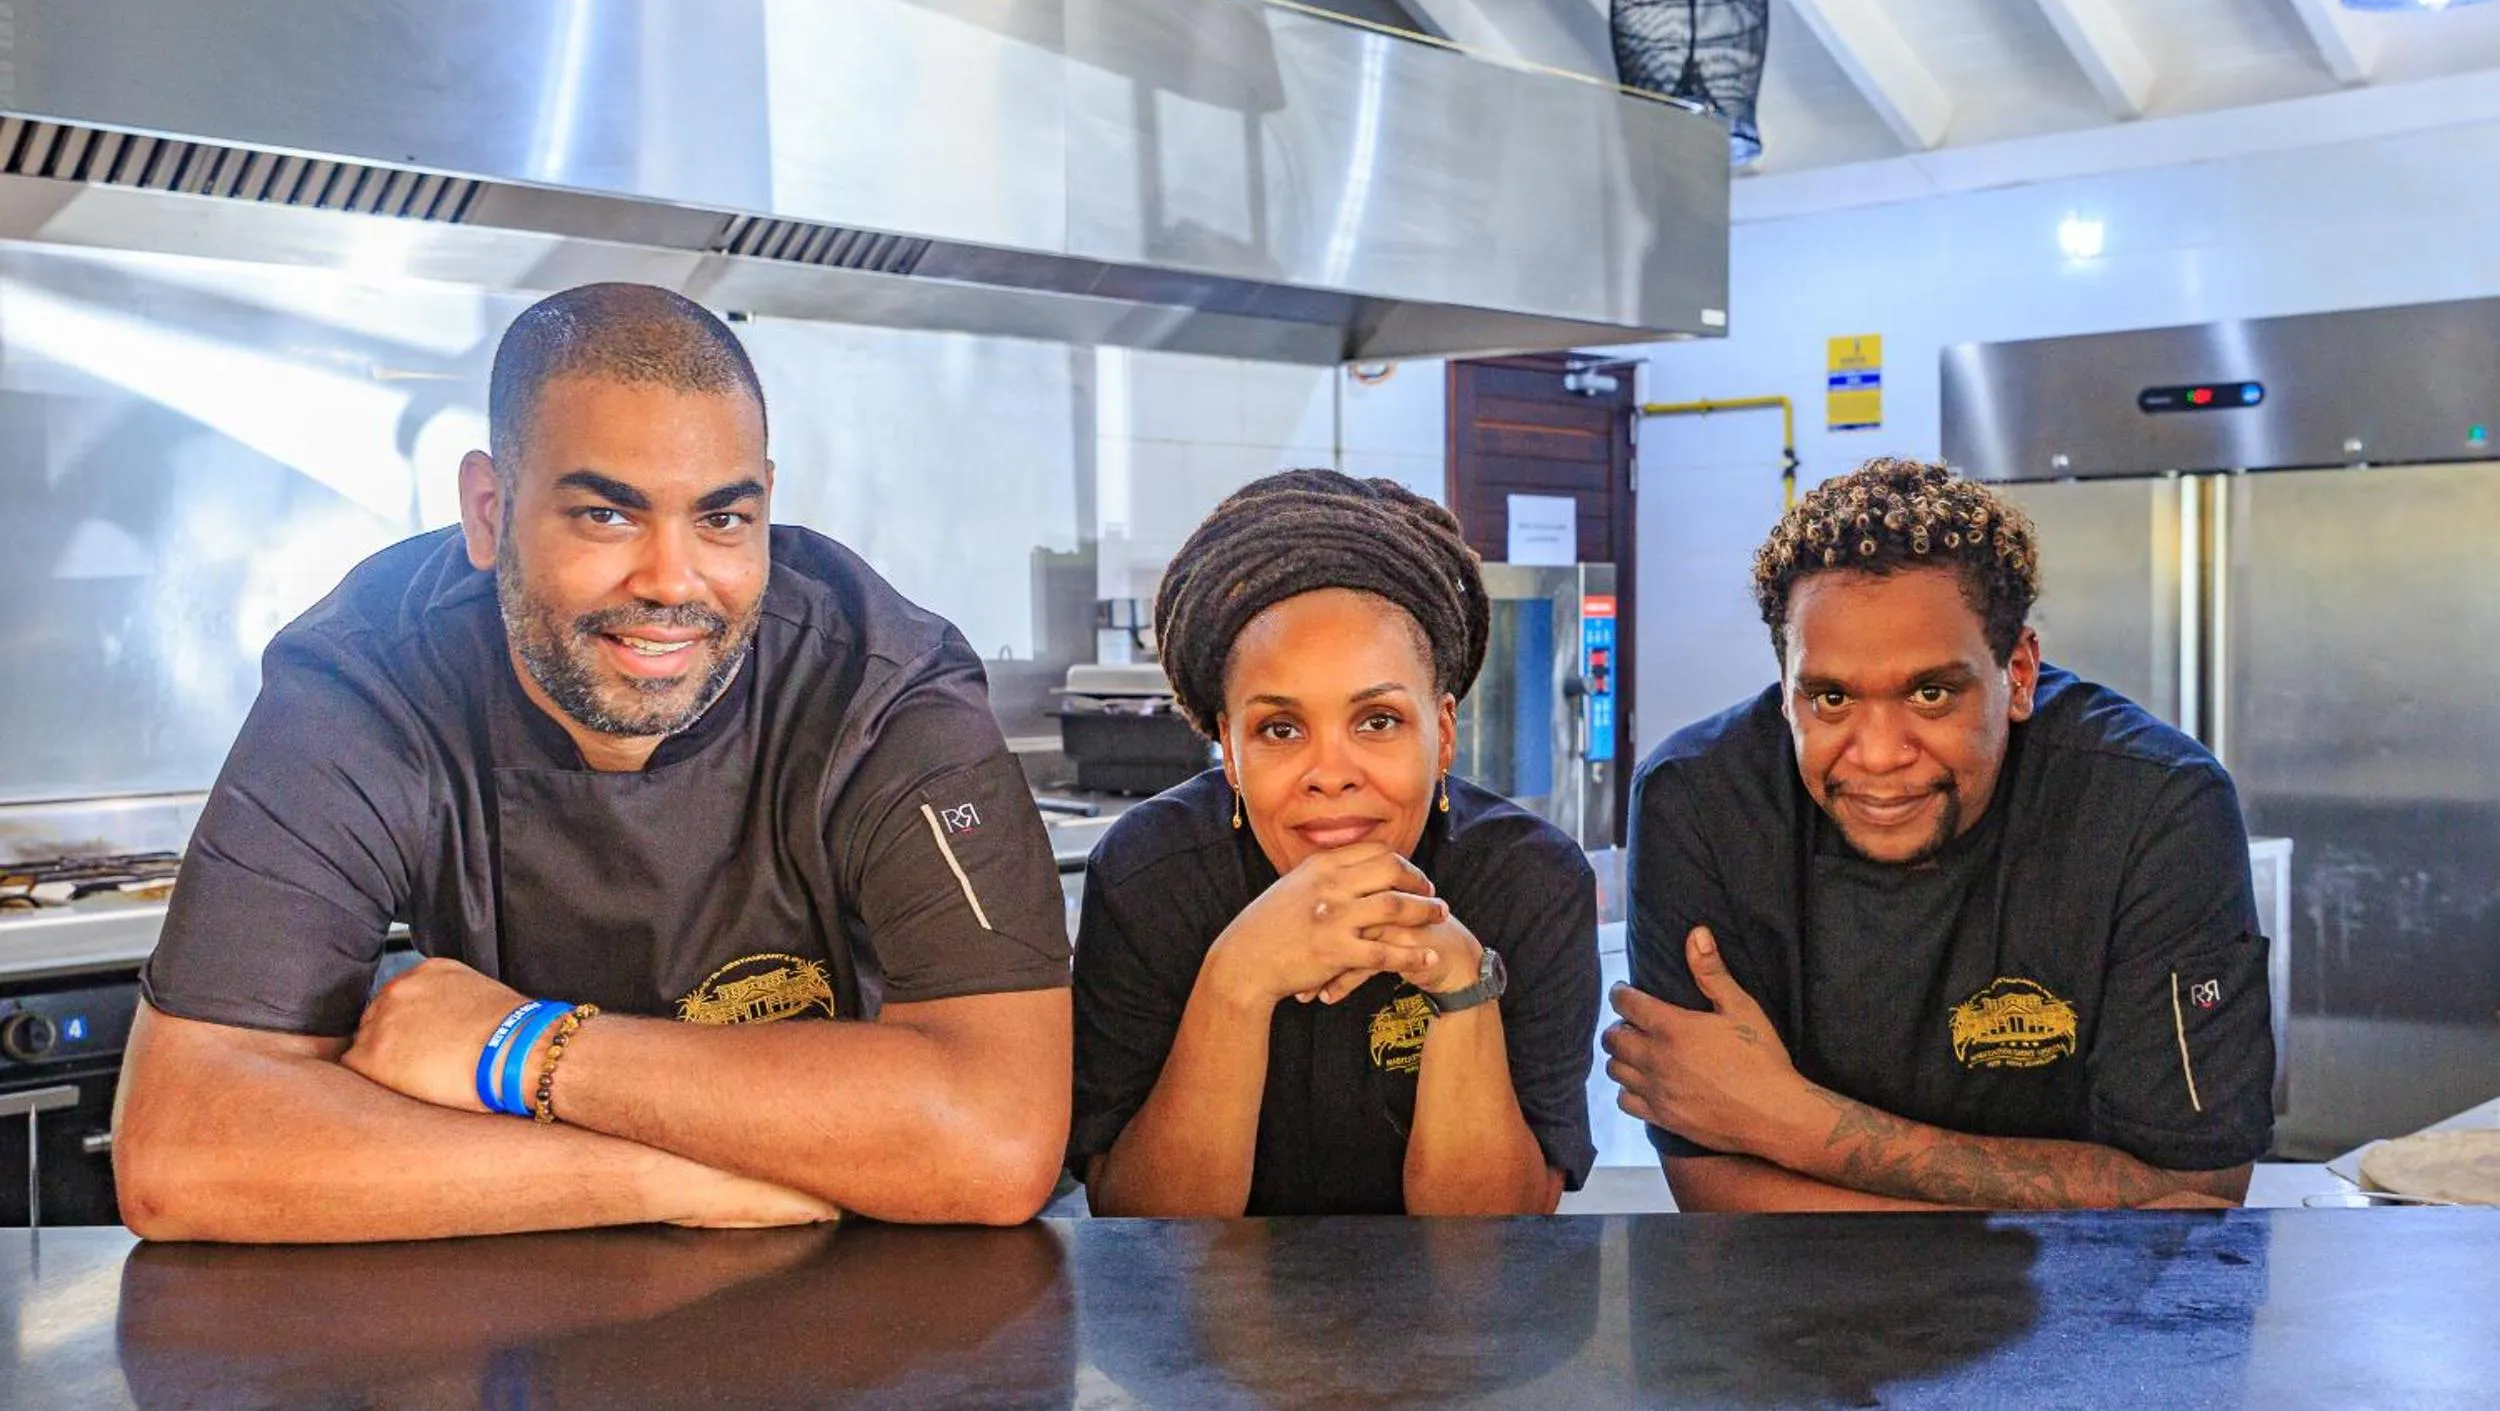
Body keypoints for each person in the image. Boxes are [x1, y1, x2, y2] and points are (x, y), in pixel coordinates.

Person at [115, 284, 1073, 1241]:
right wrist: (669, 1180)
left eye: (723, 519)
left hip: (866, 1315)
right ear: (489, 512)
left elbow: (995, 1139)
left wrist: (520, 1049)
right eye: (607, 517)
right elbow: (183, 1151)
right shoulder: (368, 679)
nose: (671, 580)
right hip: (525, 1317)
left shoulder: (882, 690)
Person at [1605, 458, 2275, 1212]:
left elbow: (2194, 1189)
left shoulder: (2154, 807)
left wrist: (1790, 1118)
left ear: (2017, 673)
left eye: (1930, 693)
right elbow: (1713, 1189)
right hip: (1787, 1319)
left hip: (2084, 1323)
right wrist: (2055, 1216)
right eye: (1830, 697)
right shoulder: (1699, 803)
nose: (1880, 753)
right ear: (1785, 683)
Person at [1070, 470, 1599, 1217]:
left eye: (1377, 720)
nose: (1330, 775)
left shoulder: (1531, 881)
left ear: (1442, 732)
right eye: (1280, 729)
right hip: (1206, 1326)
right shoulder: (1147, 878)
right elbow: (1141, 1226)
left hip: (1454, 1331)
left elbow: (1496, 1246)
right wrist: (1238, 978)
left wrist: (1461, 982)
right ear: (1227, 742)